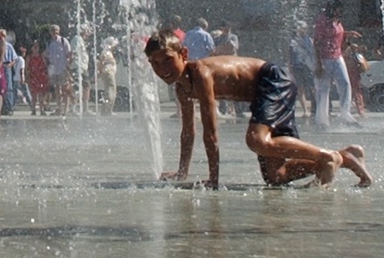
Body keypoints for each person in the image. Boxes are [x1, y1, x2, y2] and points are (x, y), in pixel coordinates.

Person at [144, 29, 371, 188]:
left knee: (256, 140)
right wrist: (182, 172)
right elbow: (188, 132)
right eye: (154, 63)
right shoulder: (182, 89)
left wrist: (214, 179)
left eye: (166, 59)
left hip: (272, 80)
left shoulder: (200, 73)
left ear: (183, 54)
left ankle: (326, 156)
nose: (162, 68)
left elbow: (211, 131)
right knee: (275, 176)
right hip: (263, 96)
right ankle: (346, 156)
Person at [313, 0, 358, 128]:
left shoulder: (336, 21)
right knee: (324, 89)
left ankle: (345, 114)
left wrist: (348, 34)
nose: (340, 11)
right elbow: (316, 42)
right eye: (338, 8)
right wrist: (319, 63)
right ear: (332, 7)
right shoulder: (322, 20)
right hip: (325, 58)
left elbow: (337, 34)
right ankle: (322, 120)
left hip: (338, 57)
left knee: (345, 83)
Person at [287, 23, 316, 121]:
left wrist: (315, 65)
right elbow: (290, 54)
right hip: (297, 66)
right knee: (300, 88)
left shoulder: (310, 40)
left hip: (308, 66)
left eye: (304, 28)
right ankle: (305, 110)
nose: (303, 30)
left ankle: (316, 107)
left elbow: (314, 53)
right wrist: (290, 65)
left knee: (313, 87)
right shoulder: (293, 41)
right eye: (301, 28)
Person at [44, 24, 72, 115]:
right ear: (50, 32)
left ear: (59, 31)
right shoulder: (49, 43)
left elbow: (69, 54)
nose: (54, 33)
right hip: (54, 70)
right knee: (56, 89)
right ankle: (59, 108)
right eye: (53, 31)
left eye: (56, 31)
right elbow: (46, 55)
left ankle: (66, 109)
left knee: (65, 89)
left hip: (63, 68)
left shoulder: (63, 41)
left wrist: (68, 66)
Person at [97, 38, 118, 113]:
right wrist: (99, 71)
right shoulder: (106, 52)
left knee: (109, 90)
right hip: (108, 73)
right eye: (113, 44)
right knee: (111, 90)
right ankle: (107, 110)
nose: (114, 47)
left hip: (108, 72)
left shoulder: (107, 52)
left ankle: (105, 110)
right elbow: (101, 61)